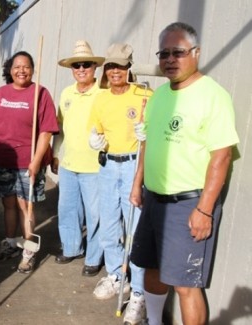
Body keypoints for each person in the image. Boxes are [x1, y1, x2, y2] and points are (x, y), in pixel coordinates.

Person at [129, 22, 239, 325]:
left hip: (187, 205)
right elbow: (148, 143)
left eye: (177, 52)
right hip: (153, 200)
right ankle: (153, 321)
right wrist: (138, 184)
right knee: (149, 268)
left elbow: (222, 156)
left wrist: (204, 210)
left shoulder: (213, 95)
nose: (169, 59)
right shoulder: (160, 96)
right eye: (163, 53)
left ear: (196, 53)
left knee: (186, 284)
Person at [88, 43, 152, 324]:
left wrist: (146, 134)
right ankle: (116, 274)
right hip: (107, 164)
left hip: (133, 165)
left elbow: (154, 135)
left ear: (129, 68)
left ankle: (139, 292)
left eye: (121, 66)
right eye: (111, 66)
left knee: (134, 228)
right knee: (109, 223)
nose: (115, 71)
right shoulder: (100, 98)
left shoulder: (145, 96)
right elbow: (96, 129)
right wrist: (94, 140)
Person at [0, 51, 59, 274]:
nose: (21, 70)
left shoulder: (40, 94)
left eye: (26, 66)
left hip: (28, 162)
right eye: (17, 66)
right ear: (10, 70)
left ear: (33, 69)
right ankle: (10, 241)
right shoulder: (0, 93)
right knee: (8, 204)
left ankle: (28, 251)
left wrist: (36, 162)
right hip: (3, 160)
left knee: (25, 207)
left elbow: (46, 132)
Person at [51, 40, 105, 277]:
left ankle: (93, 258)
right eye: (76, 66)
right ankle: (72, 247)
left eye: (86, 65)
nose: (81, 69)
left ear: (95, 67)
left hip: (95, 167)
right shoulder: (66, 93)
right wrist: (54, 154)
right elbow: (60, 128)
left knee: (95, 215)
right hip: (69, 165)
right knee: (67, 210)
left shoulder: (103, 94)